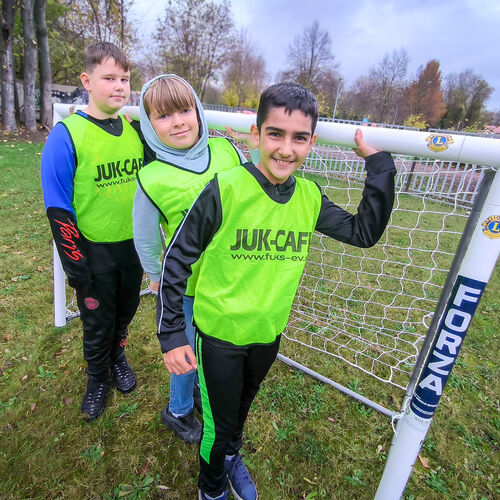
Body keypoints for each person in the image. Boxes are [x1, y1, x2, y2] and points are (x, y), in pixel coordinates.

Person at [157, 82, 397, 500]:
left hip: (268, 333)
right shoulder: (225, 189)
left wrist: (379, 166)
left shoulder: (308, 197)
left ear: (312, 143)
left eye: (299, 138)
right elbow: (177, 258)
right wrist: (172, 333)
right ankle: (211, 488)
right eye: (276, 134)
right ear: (256, 135)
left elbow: (363, 232)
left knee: (242, 409)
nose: (286, 149)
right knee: (217, 423)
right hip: (219, 335)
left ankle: (231, 457)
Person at [133, 74, 256, 443]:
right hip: (185, 288)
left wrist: (256, 149)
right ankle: (179, 410)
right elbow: (144, 236)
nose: (179, 122)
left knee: (215, 349)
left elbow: (254, 190)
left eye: (185, 110)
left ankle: (201, 394)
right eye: (165, 116)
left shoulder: (227, 153)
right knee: (184, 354)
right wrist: (155, 274)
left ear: (199, 111)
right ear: (150, 124)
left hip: (227, 283)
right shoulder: (152, 177)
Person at [41, 42, 144, 421]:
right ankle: (97, 377)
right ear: (87, 80)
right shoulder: (66, 135)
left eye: (125, 79)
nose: (120, 86)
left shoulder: (135, 133)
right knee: (97, 322)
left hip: (132, 249)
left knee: (126, 311)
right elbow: (57, 205)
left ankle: (118, 356)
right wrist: (74, 261)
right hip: (93, 253)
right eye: (109, 78)